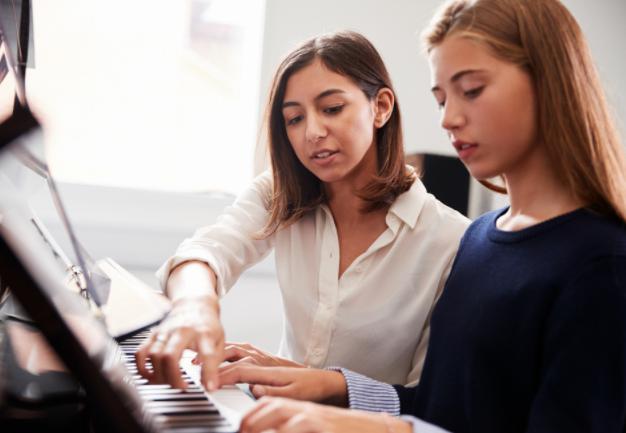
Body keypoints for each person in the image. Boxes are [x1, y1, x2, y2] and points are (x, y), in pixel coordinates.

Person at [217, 1, 626, 432]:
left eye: (471, 90)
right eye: (441, 98)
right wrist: (327, 387)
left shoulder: (603, 265)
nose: (449, 119)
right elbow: (438, 406)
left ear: (549, 82)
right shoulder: (482, 239)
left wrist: (381, 428)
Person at [135, 31, 469, 392]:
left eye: (332, 109)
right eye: (294, 118)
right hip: (273, 416)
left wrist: (320, 384)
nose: (312, 132)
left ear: (381, 107)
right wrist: (194, 307)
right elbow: (207, 252)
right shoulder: (282, 194)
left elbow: (429, 402)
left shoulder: (450, 241)